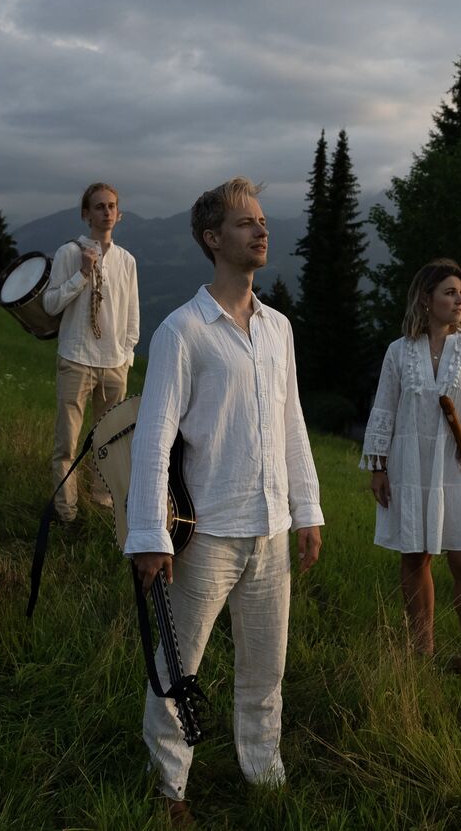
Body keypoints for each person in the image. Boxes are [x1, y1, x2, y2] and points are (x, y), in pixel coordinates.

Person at [124, 177, 324, 824]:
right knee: (179, 665)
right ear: (213, 239)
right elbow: (153, 436)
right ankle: (168, 787)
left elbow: (292, 422)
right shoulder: (182, 330)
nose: (261, 230)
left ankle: (263, 769)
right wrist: (149, 535)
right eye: (245, 223)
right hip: (205, 531)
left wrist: (308, 510)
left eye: (262, 221)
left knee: (267, 667)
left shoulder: (278, 329)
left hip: (270, 530)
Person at [361, 259, 461, 681]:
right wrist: (378, 467)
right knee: (415, 559)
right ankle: (421, 651)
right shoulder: (400, 351)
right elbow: (384, 409)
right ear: (426, 299)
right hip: (411, 466)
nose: (459, 300)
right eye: (450, 292)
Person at [43, 182, 140, 522]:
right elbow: (51, 303)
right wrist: (82, 274)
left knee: (110, 441)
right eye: (99, 206)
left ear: (119, 213)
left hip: (114, 364)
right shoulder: (70, 253)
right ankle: (65, 511)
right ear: (86, 214)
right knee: (67, 444)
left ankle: (102, 504)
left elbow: (132, 315)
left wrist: (126, 356)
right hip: (76, 359)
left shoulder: (126, 260)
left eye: (112, 206)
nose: (106, 212)